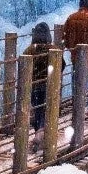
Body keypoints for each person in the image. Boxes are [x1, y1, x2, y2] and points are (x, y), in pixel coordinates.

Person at [23, 22, 65, 151]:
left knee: (37, 109)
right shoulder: (53, 49)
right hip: (49, 85)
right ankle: (42, 134)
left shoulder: (30, 49)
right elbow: (62, 65)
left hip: (34, 86)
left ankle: (38, 132)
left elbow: (24, 65)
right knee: (48, 110)